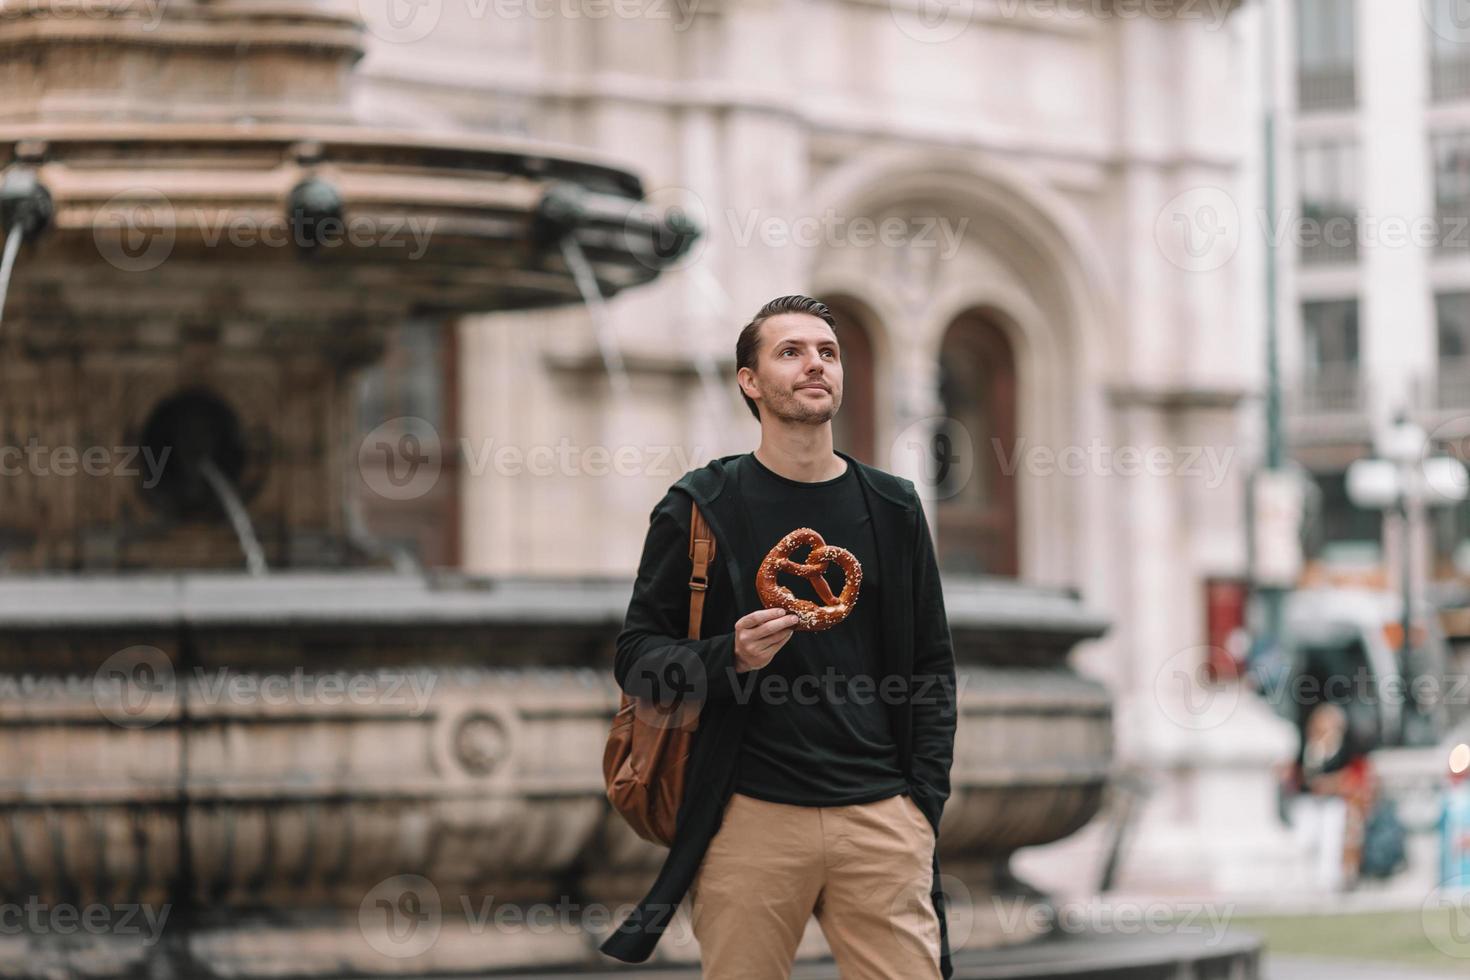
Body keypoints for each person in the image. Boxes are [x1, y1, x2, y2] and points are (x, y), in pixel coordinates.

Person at [598, 295, 958, 979]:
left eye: (827, 351)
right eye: (790, 351)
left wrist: (920, 804)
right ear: (750, 381)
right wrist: (726, 655)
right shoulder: (701, 504)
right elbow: (636, 659)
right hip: (748, 817)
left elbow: (931, 666)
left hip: (881, 815)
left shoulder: (893, 507)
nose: (814, 364)